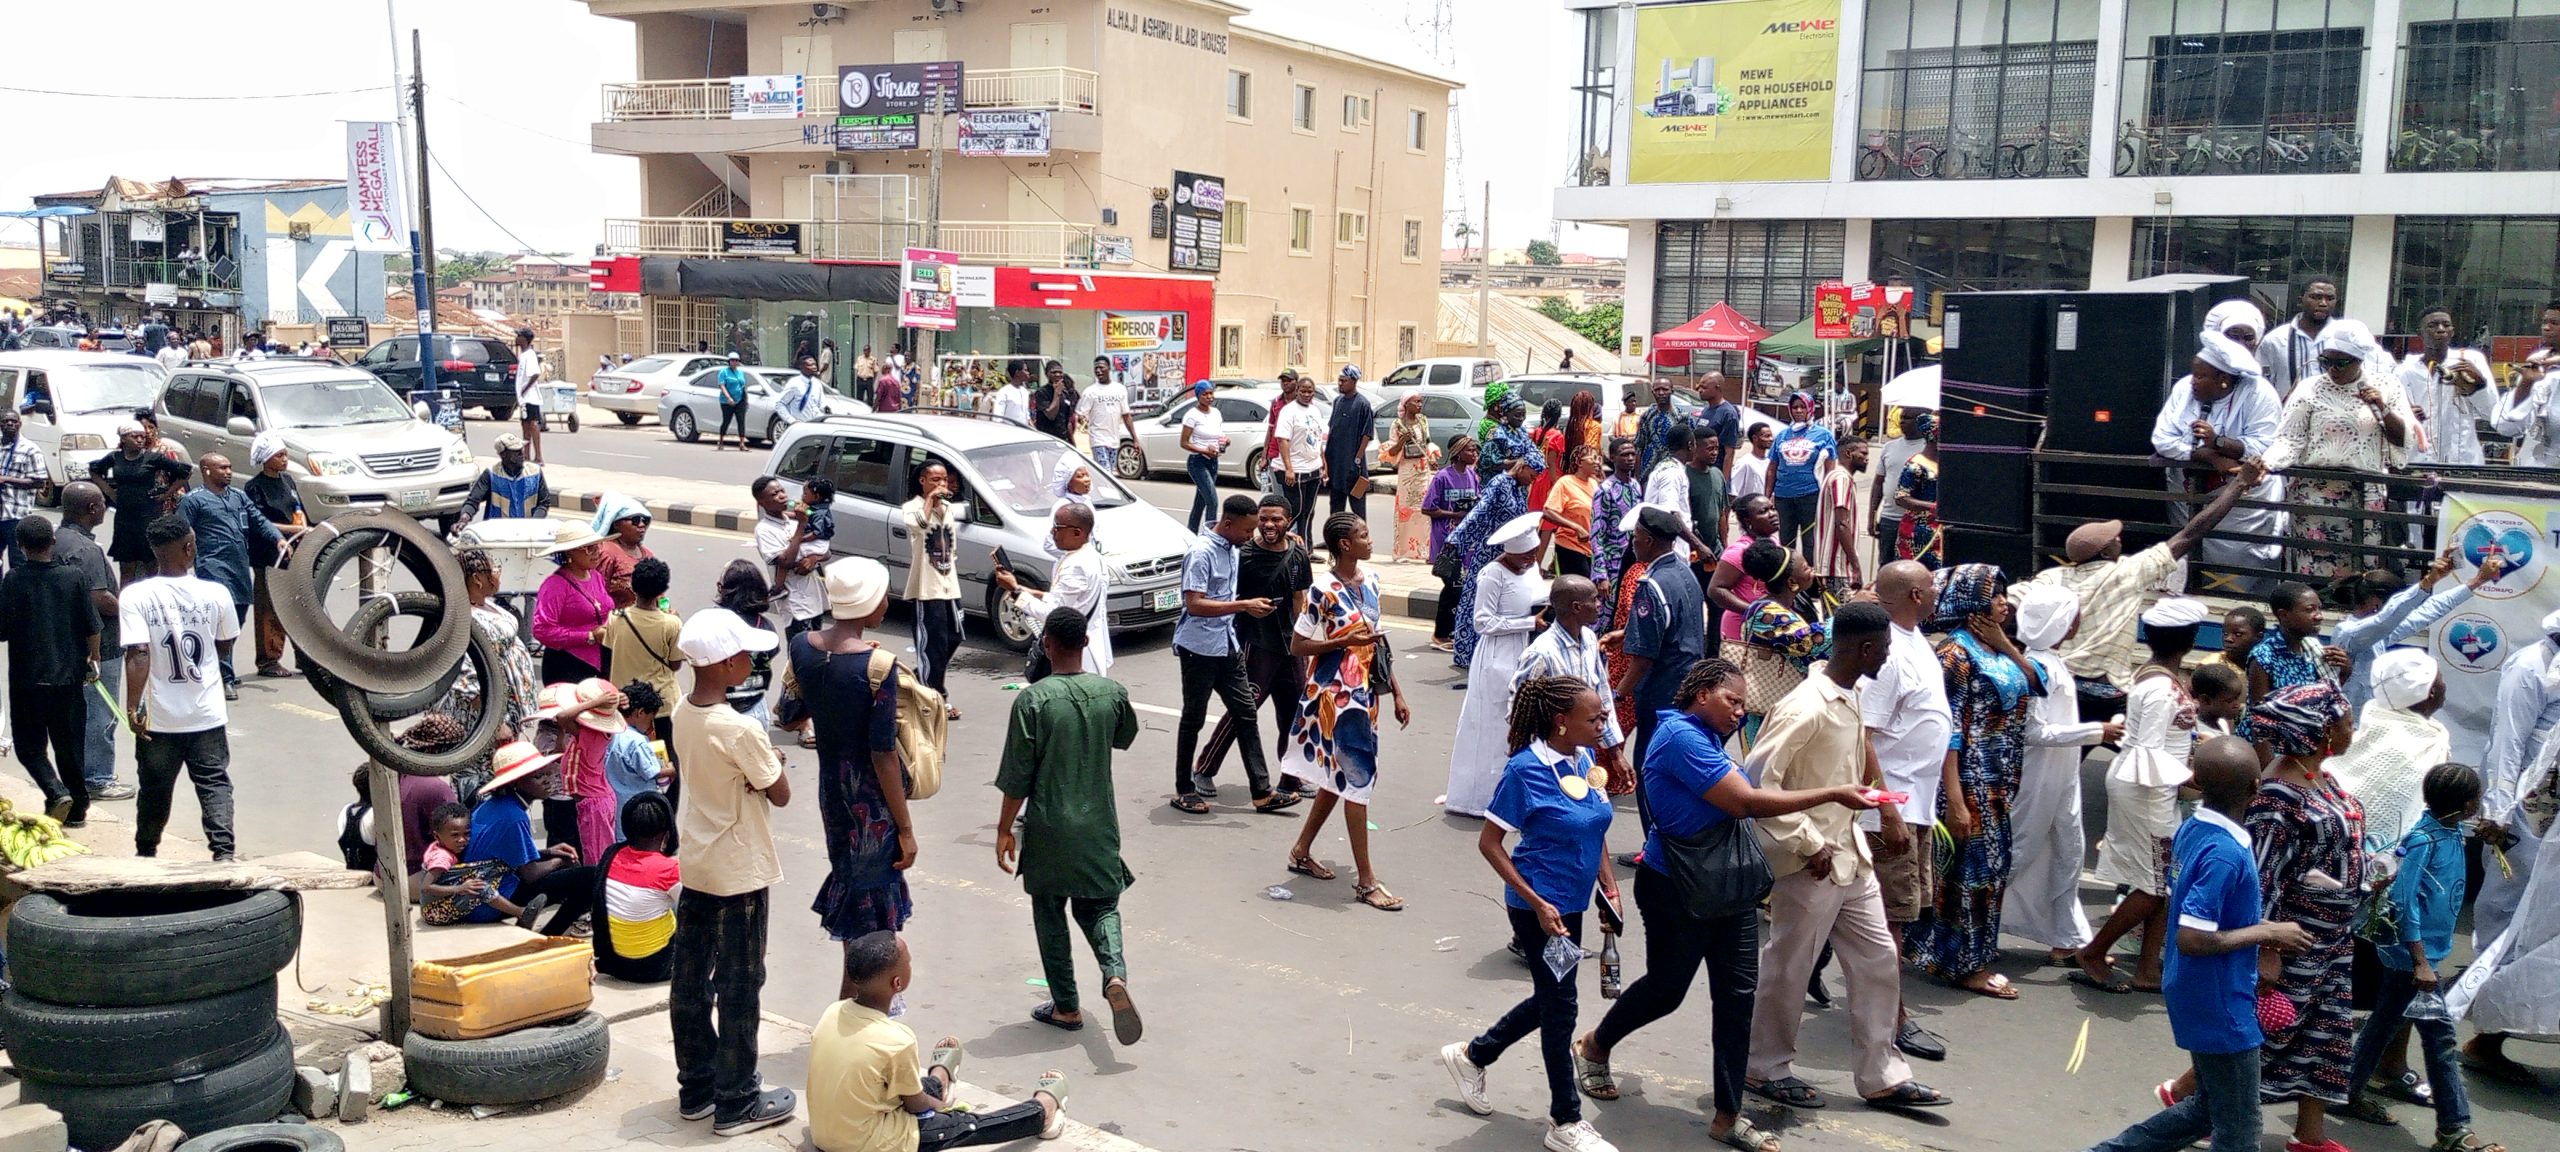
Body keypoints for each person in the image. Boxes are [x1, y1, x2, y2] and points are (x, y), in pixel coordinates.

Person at [1575, 655, 1900, 1145]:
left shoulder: (1710, 737)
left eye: (1743, 704)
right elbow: (1744, 801)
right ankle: (1595, 1046)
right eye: (1732, 701)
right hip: (1676, 887)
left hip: (1731, 885)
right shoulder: (1679, 738)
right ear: (1701, 695)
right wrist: (1833, 793)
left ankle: (1728, 1116)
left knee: (1735, 1000)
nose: (1738, 712)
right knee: (1667, 989)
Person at [1736, 607, 1952, 1124]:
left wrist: (1884, 810)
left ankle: (1882, 1076)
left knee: (1878, 960)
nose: (1889, 655)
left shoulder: (1850, 693)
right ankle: (1764, 1066)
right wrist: (1808, 843)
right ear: (1866, 650)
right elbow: (1758, 781)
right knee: (1790, 964)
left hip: (1850, 857)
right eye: (1885, 647)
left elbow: (1856, 763)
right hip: (1811, 862)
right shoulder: (1805, 707)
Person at [2074, 736, 2312, 1152]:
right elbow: (2192, 937)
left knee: (2208, 1106)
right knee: (2239, 1131)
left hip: (2198, 989)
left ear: (2196, 782)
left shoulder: (2196, 829)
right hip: (2221, 1001)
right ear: (2257, 788)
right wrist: (2267, 933)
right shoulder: (2225, 853)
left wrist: (2256, 926)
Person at [1439, 677, 1621, 1152]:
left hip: (1574, 904)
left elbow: (1594, 828)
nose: (1604, 724)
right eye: (1595, 718)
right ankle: (1566, 1120)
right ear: (1562, 722)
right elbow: (1490, 843)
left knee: (1551, 998)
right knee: (1561, 1008)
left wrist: (1608, 884)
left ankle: (1473, 1055)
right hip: (1538, 909)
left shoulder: (1582, 759)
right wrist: (1538, 903)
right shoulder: (1524, 771)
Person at [2218, 683, 2364, 1151]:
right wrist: (2266, 950)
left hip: (2332, 941)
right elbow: (2260, 881)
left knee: (2325, 1032)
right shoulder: (2279, 798)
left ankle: (2310, 1134)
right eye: (2345, 720)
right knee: (2269, 1032)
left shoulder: (2321, 777)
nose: (2351, 727)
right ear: (2320, 730)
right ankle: (2191, 1104)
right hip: (2293, 939)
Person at [669, 605, 798, 1135]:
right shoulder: (740, 729)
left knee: (692, 979)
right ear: (723, 664)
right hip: (740, 866)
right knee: (742, 983)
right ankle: (738, 1099)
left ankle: (696, 1087)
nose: (750, 660)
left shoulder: (682, 712)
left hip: (698, 859)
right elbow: (781, 793)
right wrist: (768, 770)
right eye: (744, 654)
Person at [997, 608, 1143, 1041]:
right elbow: (1125, 736)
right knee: (1101, 905)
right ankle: (1114, 975)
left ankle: (1065, 1006)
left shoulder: (1032, 700)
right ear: (1085, 643)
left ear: (1047, 645)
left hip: (1048, 824)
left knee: (1049, 910)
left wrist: (1004, 829)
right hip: (1098, 822)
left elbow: (1016, 776)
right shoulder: (1110, 692)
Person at [2342, 765, 2504, 1150]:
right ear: (2467, 804)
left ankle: (2346, 1091)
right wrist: (2419, 961)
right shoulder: (2423, 841)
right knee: (2440, 1038)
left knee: (2383, 1023)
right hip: (2412, 958)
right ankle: (2455, 1129)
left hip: (2423, 956)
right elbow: (2403, 900)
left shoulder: (2449, 832)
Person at [1901, 563, 2044, 999]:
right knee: (1972, 873)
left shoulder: (1998, 648)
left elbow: (2037, 685)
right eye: (1995, 595)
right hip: (1970, 781)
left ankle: (1964, 953)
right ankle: (1962, 963)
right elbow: (1950, 731)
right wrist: (1957, 801)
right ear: (1972, 604)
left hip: (2000, 781)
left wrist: (2004, 643)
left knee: (1989, 870)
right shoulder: (1955, 655)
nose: (2005, 601)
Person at [2040, 457, 2264, 713]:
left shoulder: (2052, 578)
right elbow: (2190, 534)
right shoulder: (2127, 572)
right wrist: (2239, 484)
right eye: (2114, 538)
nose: (2119, 538)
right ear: (2104, 552)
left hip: (2064, 686)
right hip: (2109, 690)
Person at [808, 932, 1068, 1152]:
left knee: (893, 1082)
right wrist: (943, 1109)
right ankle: (1040, 1114)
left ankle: (939, 1081)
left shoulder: (833, 1011)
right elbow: (915, 1104)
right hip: (862, 1144)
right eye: (908, 962)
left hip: (825, 1133)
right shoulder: (896, 1040)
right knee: (963, 1124)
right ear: (898, 983)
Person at [2075, 598, 2213, 994]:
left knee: (2163, 882)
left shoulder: (2159, 678)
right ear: (2189, 640)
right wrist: (2192, 775)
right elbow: (2148, 749)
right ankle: (2094, 951)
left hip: (2154, 784)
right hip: (2147, 787)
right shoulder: (2160, 688)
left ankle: (2148, 968)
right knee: (2154, 884)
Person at [1281, 514, 1412, 908]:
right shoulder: (1322, 590)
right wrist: (1341, 643)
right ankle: (1366, 881)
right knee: (1357, 780)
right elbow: (1298, 645)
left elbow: (1377, 643)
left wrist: (1398, 694)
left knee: (1340, 777)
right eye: (1363, 536)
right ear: (1343, 545)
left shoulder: (1371, 580)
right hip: (1336, 697)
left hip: (1366, 693)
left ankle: (1301, 849)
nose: (1370, 541)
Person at [791, 559, 918, 960]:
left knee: (853, 896)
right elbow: (883, 754)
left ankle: (859, 1002)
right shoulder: (878, 667)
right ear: (867, 604)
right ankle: (861, 1002)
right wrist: (906, 828)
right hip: (871, 809)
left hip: (832, 796)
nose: (887, 603)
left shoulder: (802, 647)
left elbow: (790, 712)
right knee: (874, 922)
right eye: (883, 595)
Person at [2001, 583, 2121, 968]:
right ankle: (1961, 920)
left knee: (2068, 852)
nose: (2079, 621)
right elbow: (2034, 733)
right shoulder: (2035, 668)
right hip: (2038, 777)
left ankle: (2067, 938)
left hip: (2062, 775)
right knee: (2019, 850)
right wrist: (2095, 732)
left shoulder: (2051, 663)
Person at [1168, 494, 1296, 816]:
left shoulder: (1234, 548)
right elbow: (1194, 604)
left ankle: (1262, 792)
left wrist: (1288, 539)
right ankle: (1185, 789)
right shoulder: (1201, 553)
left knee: (1246, 713)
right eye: (1246, 529)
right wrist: (1243, 605)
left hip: (1227, 645)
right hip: (1198, 649)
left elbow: (1262, 546)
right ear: (1227, 524)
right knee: (1193, 718)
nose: (1250, 536)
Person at [122, 515, 239, 860]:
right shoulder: (216, 593)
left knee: (155, 788)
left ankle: (146, 852)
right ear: (189, 548)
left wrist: (132, 707)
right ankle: (223, 853)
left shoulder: (135, 595)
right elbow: (225, 644)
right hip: (206, 713)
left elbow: (139, 653)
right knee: (214, 783)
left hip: (160, 718)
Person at [2264, 319, 2414, 578]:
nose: (2332, 369)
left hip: (2364, 495)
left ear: (2359, 360)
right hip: (2314, 495)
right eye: (2326, 361)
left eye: (2341, 362)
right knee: (2312, 568)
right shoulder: (2310, 388)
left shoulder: (2386, 385)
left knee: (2362, 569)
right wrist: (2266, 464)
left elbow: (2403, 440)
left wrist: (2381, 408)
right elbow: (2289, 438)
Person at [2150, 328, 2286, 586]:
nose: (2193, 381)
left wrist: (2220, 442)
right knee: (2189, 554)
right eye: (2193, 373)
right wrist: (2208, 455)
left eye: (2201, 376)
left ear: (2223, 378)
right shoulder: (2183, 389)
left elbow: (2264, 446)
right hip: (2190, 494)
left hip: (2244, 503)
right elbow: (2162, 439)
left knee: (2240, 568)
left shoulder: (2260, 393)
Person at [1446, 513, 1552, 818]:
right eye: (1527, 554)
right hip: (1497, 656)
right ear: (1511, 552)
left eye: (1534, 553)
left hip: (1524, 651)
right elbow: (1482, 622)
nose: (1533, 559)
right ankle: (1480, 798)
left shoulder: (1529, 570)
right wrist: (1528, 622)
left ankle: (1514, 796)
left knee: (1518, 726)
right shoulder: (1492, 574)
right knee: (1492, 727)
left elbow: (1534, 592)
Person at [2473, 607, 2560, 953]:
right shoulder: (2529, 667)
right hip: (2524, 800)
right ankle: (2487, 974)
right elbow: (2507, 741)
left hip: (2553, 797)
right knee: (2507, 887)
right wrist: (2498, 809)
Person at [1, 518, 97, 826]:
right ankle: (78, 809)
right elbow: (92, 625)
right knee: (70, 746)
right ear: (52, 542)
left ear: (20, 546)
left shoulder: (13, 579)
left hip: (28, 680)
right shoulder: (74, 577)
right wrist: (93, 658)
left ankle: (56, 792)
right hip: (69, 678)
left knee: (29, 747)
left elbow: (2, 629)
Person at [1613, 507, 1706, 821]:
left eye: (1636, 537)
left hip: (1660, 690)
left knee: (1650, 765)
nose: (1633, 544)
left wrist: (1618, 695)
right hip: (1689, 685)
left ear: (1649, 540)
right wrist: (1626, 633)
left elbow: (1643, 658)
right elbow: (1673, 623)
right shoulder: (1684, 572)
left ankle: (1653, 847)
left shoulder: (1649, 584)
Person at [452, 743, 598, 936]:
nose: (547, 781)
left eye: (546, 774)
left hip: (479, 892)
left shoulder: (493, 805)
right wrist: (558, 861)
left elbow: (509, 855)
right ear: (516, 783)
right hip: (489, 902)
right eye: (538, 777)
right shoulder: (514, 816)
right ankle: (549, 934)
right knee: (592, 877)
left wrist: (549, 852)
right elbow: (530, 873)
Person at [54, 483, 134, 802]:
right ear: (91, 509)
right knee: (100, 714)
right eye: (102, 503)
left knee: (78, 714)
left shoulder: (57, 540)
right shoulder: (87, 550)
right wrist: (131, 608)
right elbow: (97, 598)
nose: (105, 508)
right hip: (97, 645)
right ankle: (97, 778)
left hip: (66, 641)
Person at [2334, 554, 2493, 714]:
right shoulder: (2350, 633)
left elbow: (2427, 611)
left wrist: (2476, 581)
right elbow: (2389, 617)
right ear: (2376, 603)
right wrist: (2428, 581)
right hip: (2346, 727)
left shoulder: (2379, 633)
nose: (2399, 613)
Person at [177, 453, 280, 698]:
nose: (228, 471)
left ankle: (215, 663)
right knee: (221, 619)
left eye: (230, 466)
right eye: (222, 467)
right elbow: (180, 533)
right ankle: (225, 678)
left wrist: (278, 538)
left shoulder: (238, 497)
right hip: (212, 568)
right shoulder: (194, 501)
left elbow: (259, 520)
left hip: (239, 568)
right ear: (207, 471)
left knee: (237, 619)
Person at [1513, 576, 1623, 783]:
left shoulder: (1590, 639)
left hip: (1582, 753)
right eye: (1595, 599)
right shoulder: (1541, 653)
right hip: (1548, 758)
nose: (1600, 604)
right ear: (1576, 607)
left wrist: (1615, 752)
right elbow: (1518, 709)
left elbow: (1603, 695)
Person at [999, 502, 1114, 684]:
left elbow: (1054, 614)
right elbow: (1069, 600)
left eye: (1057, 527)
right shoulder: (1090, 557)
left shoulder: (1075, 566)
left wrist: (1015, 591)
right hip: (1089, 646)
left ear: (1077, 532)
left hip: (1076, 657)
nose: (1053, 532)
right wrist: (1034, 593)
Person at [1447, 454, 1544, 670]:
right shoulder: (1499, 483)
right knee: (1475, 599)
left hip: (1514, 554)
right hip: (1489, 552)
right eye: (1532, 474)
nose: (1533, 480)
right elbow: (1479, 512)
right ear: (1522, 467)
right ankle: (1465, 653)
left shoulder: (1520, 488)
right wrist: (1456, 538)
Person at [896, 461, 967, 710]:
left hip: (949, 584)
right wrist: (930, 502)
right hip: (926, 588)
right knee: (931, 644)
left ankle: (920, 676)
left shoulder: (948, 508)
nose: (941, 485)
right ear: (922, 481)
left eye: (944, 480)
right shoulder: (912, 507)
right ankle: (934, 698)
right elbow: (919, 525)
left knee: (954, 636)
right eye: (935, 480)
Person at [593, 790, 680, 983]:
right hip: (654, 966)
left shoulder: (612, 854)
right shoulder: (669, 869)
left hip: (615, 963)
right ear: (667, 832)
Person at [88, 422, 191, 584]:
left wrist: (166, 494)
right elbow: (95, 471)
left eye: (142, 436)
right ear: (123, 439)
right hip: (124, 518)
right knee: (126, 568)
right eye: (134, 436)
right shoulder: (115, 458)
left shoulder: (153, 458)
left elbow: (184, 472)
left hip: (149, 517)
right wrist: (109, 492)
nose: (139, 440)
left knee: (151, 566)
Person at [242, 435, 306, 677]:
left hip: (294, 548)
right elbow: (259, 522)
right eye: (279, 456)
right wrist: (292, 530)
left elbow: (297, 509)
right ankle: (268, 660)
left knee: (298, 604)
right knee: (269, 608)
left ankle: (305, 657)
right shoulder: (254, 487)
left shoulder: (288, 481)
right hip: (269, 554)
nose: (284, 460)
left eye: (285, 455)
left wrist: (303, 528)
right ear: (265, 459)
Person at [2401, 305, 2496, 468]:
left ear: (2452, 332)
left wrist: (2478, 387)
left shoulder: (2469, 361)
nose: (2440, 329)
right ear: (2420, 333)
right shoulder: (2405, 371)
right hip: (2417, 462)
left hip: (2462, 463)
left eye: (2446, 325)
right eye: (2432, 326)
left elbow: (2492, 414)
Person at [606, 559, 684, 730]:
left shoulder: (616, 618)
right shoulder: (672, 623)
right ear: (662, 590)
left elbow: (609, 654)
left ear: (633, 587)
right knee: (666, 754)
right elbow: (675, 664)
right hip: (661, 703)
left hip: (625, 702)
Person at [533, 523, 615, 684]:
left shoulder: (596, 576)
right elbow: (542, 630)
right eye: (588, 548)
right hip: (568, 665)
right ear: (570, 552)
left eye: (597, 546)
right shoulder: (555, 585)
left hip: (603, 660)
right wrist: (589, 636)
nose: (597, 552)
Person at [1423, 436, 1482, 650]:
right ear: (1458, 452)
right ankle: (1440, 635)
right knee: (1452, 587)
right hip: (1446, 541)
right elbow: (1427, 508)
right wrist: (1455, 514)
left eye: (1475, 450)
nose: (1474, 454)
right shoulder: (1442, 478)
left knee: (1462, 587)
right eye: (1470, 450)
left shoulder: (1473, 476)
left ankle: (1453, 631)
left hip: (1466, 542)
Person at [2246, 581, 2347, 705]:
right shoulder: (2264, 657)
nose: (2319, 616)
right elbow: (2260, 714)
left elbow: (2325, 701)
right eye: (2310, 610)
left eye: (2319, 608)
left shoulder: (2313, 651)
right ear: (2284, 615)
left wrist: (2344, 673)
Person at [2488, 300, 2560, 466]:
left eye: (2555, 323)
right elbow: (2504, 426)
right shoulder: (2535, 366)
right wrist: (2525, 384)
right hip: (2535, 472)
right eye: (2545, 322)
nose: (2546, 328)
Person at [752, 475, 826, 638]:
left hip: (814, 599)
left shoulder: (794, 519)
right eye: (774, 494)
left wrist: (813, 559)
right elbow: (785, 561)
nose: (781, 496)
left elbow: (825, 550)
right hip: (795, 605)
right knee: (801, 655)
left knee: (817, 655)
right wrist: (802, 526)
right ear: (761, 503)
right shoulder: (764, 530)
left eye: (782, 491)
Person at [1767, 391, 1836, 556]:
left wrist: (1829, 496)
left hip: (1810, 495)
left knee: (1810, 541)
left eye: (1802, 407)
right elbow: (1772, 468)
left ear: (1810, 409)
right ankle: (1788, 576)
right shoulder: (1783, 435)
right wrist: (1767, 495)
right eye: (1795, 407)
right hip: (1783, 497)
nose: (1798, 410)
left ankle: (1808, 578)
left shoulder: (1823, 435)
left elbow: (1830, 468)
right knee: (1785, 541)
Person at [712, 561, 781, 725]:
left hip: (719, 707)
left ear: (723, 589)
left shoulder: (713, 621)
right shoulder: (765, 626)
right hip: (755, 706)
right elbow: (771, 653)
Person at [1707, 494, 1780, 650]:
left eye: (1772, 508)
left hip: (1767, 625)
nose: (1772, 514)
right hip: (1740, 627)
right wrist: (1752, 610)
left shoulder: (1773, 543)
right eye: (1764, 511)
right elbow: (1715, 589)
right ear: (1748, 521)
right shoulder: (1739, 551)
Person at [1586, 438, 1645, 628]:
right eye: (1624, 454)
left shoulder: (1636, 486)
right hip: (1612, 563)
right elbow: (1597, 534)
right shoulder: (1605, 490)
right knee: (1606, 616)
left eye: (1632, 454)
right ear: (1613, 458)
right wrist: (1600, 574)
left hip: (1634, 560)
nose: (1629, 458)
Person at [2257, 277, 2343, 400]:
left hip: (2334, 415)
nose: (2323, 303)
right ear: (2300, 300)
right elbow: (2261, 384)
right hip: (2287, 415)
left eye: (2330, 298)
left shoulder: (2346, 337)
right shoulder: (2275, 340)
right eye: (2316, 297)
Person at [1641, 426, 1714, 567]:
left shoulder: (1671, 467)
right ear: (1690, 445)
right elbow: (1671, 514)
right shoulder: (1672, 473)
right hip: (1669, 552)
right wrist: (1698, 546)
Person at [455, 433, 552, 532]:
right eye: (516, 451)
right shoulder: (491, 475)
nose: (522, 454)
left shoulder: (535, 473)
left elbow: (544, 502)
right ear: (503, 454)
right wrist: (464, 518)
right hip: (498, 536)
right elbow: (473, 501)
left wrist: (533, 524)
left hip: (527, 535)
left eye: (521, 450)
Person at [1385, 393, 1438, 562]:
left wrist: (1432, 457)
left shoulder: (1423, 420)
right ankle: (1403, 552)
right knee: (1405, 510)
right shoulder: (1397, 424)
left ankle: (1422, 550)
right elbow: (1391, 452)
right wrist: (1402, 441)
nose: (1419, 405)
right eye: (1416, 402)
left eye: (1420, 402)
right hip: (1407, 471)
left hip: (1422, 469)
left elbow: (1428, 441)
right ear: (1406, 404)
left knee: (1422, 510)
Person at [602, 682, 672, 811]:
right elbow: (651, 772)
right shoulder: (636, 741)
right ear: (640, 713)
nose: (650, 726)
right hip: (637, 806)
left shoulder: (610, 731)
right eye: (650, 719)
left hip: (615, 803)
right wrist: (670, 770)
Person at [1809, 436, 1865, 595]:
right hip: (1837, 567)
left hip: (1833, 568)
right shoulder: (1841, 479)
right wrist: (1856, 565)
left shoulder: (1837, 476)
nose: (1867, 459)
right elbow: (1842, 524)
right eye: (1863, 454)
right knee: (1837, 616)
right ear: (1849, 453)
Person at [1274, 374, 1328, 541]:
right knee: (1295, 511)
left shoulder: (1315, 411)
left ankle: (1305, 549)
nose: (1306, 394)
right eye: (1303, 391)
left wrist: (1324, 464)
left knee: (1308, 511)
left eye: (1310, 391)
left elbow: (1318, 439)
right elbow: (1282, 440)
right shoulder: (1288, 411)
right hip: (1294, 470)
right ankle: (1277, 542)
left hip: (1313, 467)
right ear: (1297, 391)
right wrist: (1289, 468)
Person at [1870, 408, 1926, 551]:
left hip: (1918, 521)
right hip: (1889, 519)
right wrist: (1872, 515)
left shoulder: (1929, 449)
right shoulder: (1889, 447)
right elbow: (1878, 483)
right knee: (1886, 565)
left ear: (1920, 421)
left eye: (1907, 418)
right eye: (1901, 417)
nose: (1901, 421)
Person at [1889, 413, 1940, 570]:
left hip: (1938, 530)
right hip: (1916, 532)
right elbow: (1901, 497)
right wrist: (1933, 507)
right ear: (1934, 437)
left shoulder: (1945, 464)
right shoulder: (1915, 465)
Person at [1176, 382, 1228, 533]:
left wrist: (1225, 440)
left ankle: (1191, 533)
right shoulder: (1192, 415)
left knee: (1200, 502)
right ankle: (1210, 535)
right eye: (1205, 394)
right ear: (1198, 396)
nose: (1209, 397)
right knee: (1212, 501)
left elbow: (1218, 434)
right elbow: (1184, 443)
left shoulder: (1216, 413)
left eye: (1211, 393)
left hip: (1213, 460)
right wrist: (1203, 450)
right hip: (1198, 462)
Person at [1323, 365, 1372, 521]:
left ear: (1354, 381)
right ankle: (1334, 538)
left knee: (1358, 506)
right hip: (1336, 464)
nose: (1340, 384)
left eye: (1344, 381)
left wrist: (1357, 459)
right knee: (1336, 504)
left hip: (1354, 466)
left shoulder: (1362, 404)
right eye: (1339, 381)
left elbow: (1367, 434)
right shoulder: (1337, 402)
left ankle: (1361, 539)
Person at [1545, 446, 1601, 578]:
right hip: (1570, 547)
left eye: (1599, 458)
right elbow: (1548, 511)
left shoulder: (1594, 484)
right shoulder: (1565, 483)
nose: (1597, 462)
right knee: (1581, 590)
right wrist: (1576, 527)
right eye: (1593, 458)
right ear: (1580, 462)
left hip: (1590, 549)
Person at [0, 410, 43, 572]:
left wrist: (7, 479)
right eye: (5, 421)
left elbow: (39, 482)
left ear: (20, 424)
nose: (10, 424)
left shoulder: (30, 449)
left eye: (14, 421)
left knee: (18, 562)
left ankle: (16, 596)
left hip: (16, 515)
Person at [1077, 355, 1134, 473]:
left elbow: (1126, 415)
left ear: (1109, 368)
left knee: (1109, 474)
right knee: (1105, 471)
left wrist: (1135, 439)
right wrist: (1083, 422)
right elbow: (1080, 414)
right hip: (1098, 439)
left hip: (1114, 440)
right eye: (1096, 368)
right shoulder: (1090, 392)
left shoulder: (1120, 389)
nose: (1098, 371)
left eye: (1101, 368)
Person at [1684, 432, 1729, 560]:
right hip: (1693, 551)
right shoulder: (1684, 475)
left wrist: (1725, 546)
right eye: (1710, 449)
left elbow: (1721, 514)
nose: (1715, 453)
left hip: (1715, 549)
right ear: (1694, 448)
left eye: (1716, 449)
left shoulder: (1717, 474)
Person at [1692, 372, 1745, 474]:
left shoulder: (1728, 414)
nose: (1700, 390)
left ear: (1717, 388)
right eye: (1699, 387)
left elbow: (1729, 453)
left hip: (1714, 472)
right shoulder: (1706, 409)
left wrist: (1723, 483)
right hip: (1699, 470)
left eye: (1704, 387)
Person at [512, 328, 547, 464]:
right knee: (525, 424)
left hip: (530, 397)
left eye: (518, 336)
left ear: (525, 339)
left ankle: (538, 456)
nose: (516, 338)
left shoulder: (530, 355)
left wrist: (524, 390)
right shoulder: (523, 355)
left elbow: (535, 374)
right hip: (523, 398)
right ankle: (526, 455)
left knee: (532, 424)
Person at [1634, 378, 1681, 475]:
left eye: (1665, 389)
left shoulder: (1682, 417)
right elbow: (1639, 446)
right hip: (1648, 471)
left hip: (1672, 472)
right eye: (1657, 390)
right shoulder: (1646, 416)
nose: (1661, 393)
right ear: (1652, 392)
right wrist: (1637, 476)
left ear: (1672, 391)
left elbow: (1690, 447)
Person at [710, 352, 751, 452]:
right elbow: (722, 385)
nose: (734, 362)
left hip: (740, 400)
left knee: (741, 421)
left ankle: (742, 443)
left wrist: (745, 400)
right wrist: (728, 398)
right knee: (726, 420)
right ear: (729, 362)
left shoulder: (740, 373)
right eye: (732, 360)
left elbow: (742, 386)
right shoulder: (724, 372)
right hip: (726, 401)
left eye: (736, 360)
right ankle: (721, 440)